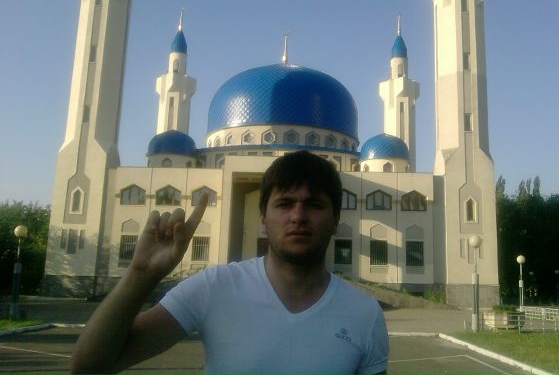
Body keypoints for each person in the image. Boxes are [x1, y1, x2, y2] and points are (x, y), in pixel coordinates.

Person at [71, 151, 389, 375]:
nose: (298, 216)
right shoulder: (214, 288)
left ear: (335, 220)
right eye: (284, 203)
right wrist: (141, 274)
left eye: (314, 205)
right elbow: (89, 367)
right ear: (263, 219)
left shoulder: (364, 314)